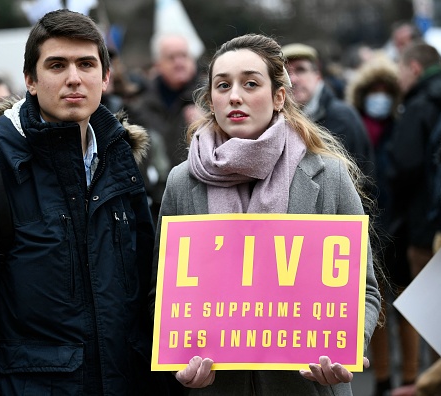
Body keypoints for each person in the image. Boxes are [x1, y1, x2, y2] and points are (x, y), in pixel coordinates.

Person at [0, 9, 180, 396]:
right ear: (31, 80)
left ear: (105, 77)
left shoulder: (122, 166)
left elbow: (150, 301)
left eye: (86, 64)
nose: (73, 78)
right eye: (56, 65)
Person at [152, 33, 381, 395]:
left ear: (278, 97)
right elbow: (163, 293)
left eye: (250, 83)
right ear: (210, 99)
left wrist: (344, 349)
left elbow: (364, 290)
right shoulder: (182, 182)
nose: (235, 96)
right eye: (223, 85)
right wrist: (180, 360)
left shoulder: (327, 173)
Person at [345, 55, 411, 396]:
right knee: (377, 302)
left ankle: (411, 376)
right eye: (375, 90)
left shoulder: (401, 126)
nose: (380, 96)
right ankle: (384, 377)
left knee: (405, 303)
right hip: (371, 222)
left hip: (400, 221)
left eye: (387, 90)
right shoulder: (355, 125)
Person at [387, 40, 441, 394]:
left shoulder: (419, 104)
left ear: (414, 69)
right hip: (432, 221)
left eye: (399, 71)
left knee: (435, 322)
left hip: (427, 228)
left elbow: (404, 168)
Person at [127, 32, 201, 221]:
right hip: (157, 206)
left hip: (199, 203)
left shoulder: (210, 98)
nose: (179, 62)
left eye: (184, 56)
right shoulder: (139, 106)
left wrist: (206, 124)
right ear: (158, 64)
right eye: (171, 57)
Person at [283, 43, 375, 182]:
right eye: (287, 73)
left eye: (301, 70)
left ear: (317, 75)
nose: (293, 79)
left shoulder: (342, 117)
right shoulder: (278, 120)